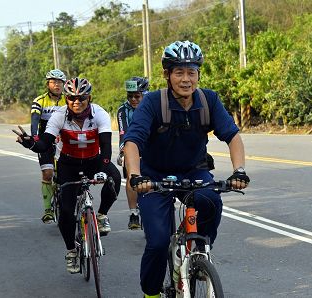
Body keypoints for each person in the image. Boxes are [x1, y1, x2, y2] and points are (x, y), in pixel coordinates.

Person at [122, 40, 250, 297]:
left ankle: (200, 251)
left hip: (194, 172)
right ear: (167, 75)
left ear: (198, 74)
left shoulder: (209, 100)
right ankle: (151, 293)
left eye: (191, 72)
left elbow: (233, 137)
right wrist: (136, 176)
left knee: (212, 201)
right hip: (154, 177)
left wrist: (239, 171)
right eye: (179, 72)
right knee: (158, 243)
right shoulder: (152, 103)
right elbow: (132, 142)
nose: (186, 79)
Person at [14, 77, 121, 273]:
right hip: (68, 164)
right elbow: (44, 144)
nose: (76, 103)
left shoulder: (100, 113)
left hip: (94, 160)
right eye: (71, 98)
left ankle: (102, 215)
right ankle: (71, 251)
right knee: (66, 210)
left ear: (89, 98)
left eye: (81, 98)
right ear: (66, 99)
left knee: (114, 177)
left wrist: (103, 168)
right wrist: (29, 142)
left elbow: (106, 146)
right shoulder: (59, 116)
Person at [31, 69, 67, 223]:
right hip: (46, 142)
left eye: (59, 82)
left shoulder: (69, 100)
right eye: (53, 82)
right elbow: (34, 120)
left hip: (64, 141)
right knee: (48, 173)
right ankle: (48, 210)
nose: (56, 85)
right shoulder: (40, 100)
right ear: (48, 84)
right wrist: (34, 137)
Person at [116, 76, 149, 230]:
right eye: (130, 96)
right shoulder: (123, 110)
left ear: (145, 93)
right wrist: (123, 152)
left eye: (137, 96)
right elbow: (123, 132)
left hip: (151, 146)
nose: (133, 100)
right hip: (131, 145)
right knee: (132, 176)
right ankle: (134, 213)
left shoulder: (153, 106)